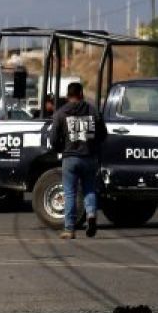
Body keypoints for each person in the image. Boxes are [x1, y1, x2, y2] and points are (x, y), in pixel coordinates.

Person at [50, 81, 107, 239]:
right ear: (81, 94)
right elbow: (103, 134)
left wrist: (60, 148)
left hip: (70, 158)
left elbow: (53, 139)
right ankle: (91, 216)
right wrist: (93, 146)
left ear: (68, 96)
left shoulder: (61, 113)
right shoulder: (93, 111)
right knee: (89, 189)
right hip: (89, 157)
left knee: (70, 193)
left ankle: (69, 229)